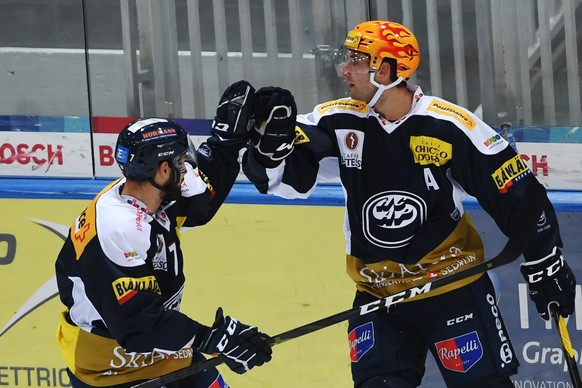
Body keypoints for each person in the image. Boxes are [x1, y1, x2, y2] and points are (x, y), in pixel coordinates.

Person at [241, 20, 576, 387]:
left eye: (356, 60)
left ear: (384, 70)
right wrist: (266, 149)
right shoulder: (336, 118)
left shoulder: (448, 124)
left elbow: (515, 189)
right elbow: (287, 179)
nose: (344, 70)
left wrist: (545, 258)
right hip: (377, 294)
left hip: (451, 287)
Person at [55, 81, 272, 388]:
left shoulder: (152, 191)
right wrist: (212, 339)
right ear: (162, 170)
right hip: (110, 365)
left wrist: (227, 141)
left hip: (164, 347)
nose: (187, 168)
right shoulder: (116, 228)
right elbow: (137, 323)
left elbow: (200, 202)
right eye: (181, 162)